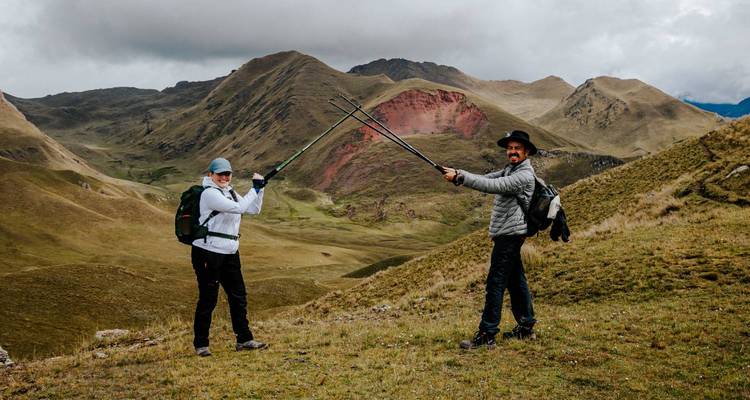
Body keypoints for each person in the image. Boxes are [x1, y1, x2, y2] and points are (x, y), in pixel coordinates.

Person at [442, 130, 539, 349]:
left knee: (495, 283)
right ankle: (526, 327)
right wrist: (459, 174)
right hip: (509, 235)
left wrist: (460, 178)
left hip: (509, 236)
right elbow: (486, 179)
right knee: (516, 282)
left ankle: (487, 334)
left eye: (517, 148)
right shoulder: (510, 170)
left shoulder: (523, 176)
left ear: (527, 152)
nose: (512, 151)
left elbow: (493, 186)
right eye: (510, 148)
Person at [191, 157, 267, 357]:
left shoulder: (229, 192)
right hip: (208, 252)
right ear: (211, 175)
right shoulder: (209, 193)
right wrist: (255, 188)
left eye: (227, 174)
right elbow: (239, 209)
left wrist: (260, 190)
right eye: (220, 174)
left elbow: (252, 209)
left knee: (238, 296)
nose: (224, 177)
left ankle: (244, 339)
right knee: (208, 298)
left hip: (230, 252)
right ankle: (201, 344)